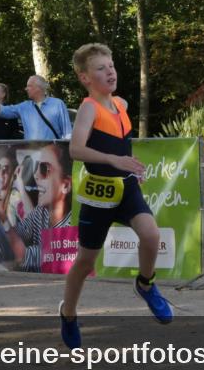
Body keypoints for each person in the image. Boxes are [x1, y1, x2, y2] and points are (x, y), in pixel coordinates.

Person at [59, 43, 172, 349]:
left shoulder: (120, 103)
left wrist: (132, 166)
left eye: (111, 66)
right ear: (85, 78)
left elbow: (122, 147)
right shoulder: (87, 108)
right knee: (85, 262)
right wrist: (115, 160)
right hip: (99, 192)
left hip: (127, 187)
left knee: (151, 234)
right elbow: (75, 150)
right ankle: (68, 313)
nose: (109, 71)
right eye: (100, 68)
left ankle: (146, 284)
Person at [0, 142, 73, 273]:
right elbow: (18, 233)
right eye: (36, 167)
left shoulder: (71, 229)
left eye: (44, 169)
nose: (36, 175)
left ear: (65, 186)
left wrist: (0, 212)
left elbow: (22, 258)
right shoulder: (42, 212)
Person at [0, 75, 72, 140]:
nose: (26, 89)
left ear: (37, 88)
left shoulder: (58, 104)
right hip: (32, 156)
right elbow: (3, 111)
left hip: (53, 156)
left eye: (28, 86)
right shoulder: (24, 106)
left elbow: (67, 133)